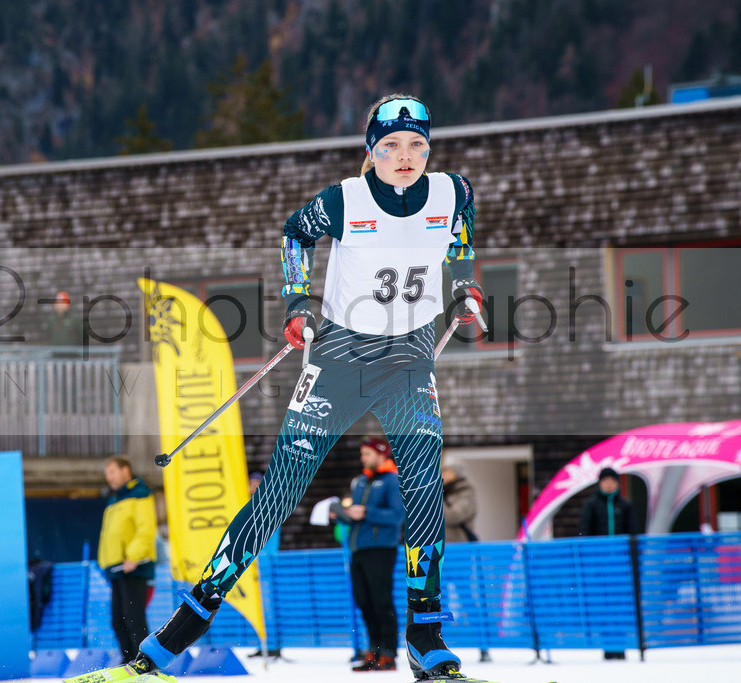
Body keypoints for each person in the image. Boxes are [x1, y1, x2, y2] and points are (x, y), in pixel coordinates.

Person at [125, 94, 483, 682]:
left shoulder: (453, 192)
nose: (405, 156)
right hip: (341, 355)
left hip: (409, 359)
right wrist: (297, 301)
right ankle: (175, 636)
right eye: (391, 145)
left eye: (417, 144)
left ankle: (426, 637)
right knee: (278, 497)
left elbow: (460, 238)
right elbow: (295, 235)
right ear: (371, 150)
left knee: (423, 492)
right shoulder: (346, 198)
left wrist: (465, 285)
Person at [331, 437, 404, 672]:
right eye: (362, 454)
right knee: (364, 601)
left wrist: (366, 512)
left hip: (381, 549)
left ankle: (389, 653)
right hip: (358, 549)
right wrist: (341, 514)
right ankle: (373, 650)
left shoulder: (392, 480)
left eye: (367, 454)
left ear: (381, 454)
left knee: (381, 601)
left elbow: (397, 516)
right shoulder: (360, 481)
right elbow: (357, 517)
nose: (363, 458)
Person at [98, 457, 157, 664]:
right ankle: (128, 661)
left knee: (134, 618)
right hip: (116, 568)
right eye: (107, 474)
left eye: (112, 472)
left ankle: (144, 662)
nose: (109, 477)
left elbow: (146, 529)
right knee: (118, 620)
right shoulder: (115, 499)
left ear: (126, 470)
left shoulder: (139, 493)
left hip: (133, 567)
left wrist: (133, 556)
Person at [579, 466, 637, 661]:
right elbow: (584, 533)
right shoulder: (591, 505)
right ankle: (607, 645)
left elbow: (633, 533)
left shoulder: (626, 504)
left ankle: (620, 645)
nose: (609, 484)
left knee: (620, 605)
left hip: (621, 565)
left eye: (613, 480)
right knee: (603, 605)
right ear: (600, 483)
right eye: (606, 480)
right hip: (600, 566)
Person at [441, 461, 490, 663]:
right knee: (438, 600)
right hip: (441, 553)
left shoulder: (465, 491)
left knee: (467, 598)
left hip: (460, 554)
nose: (443, 474)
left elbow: (453, 515)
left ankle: (483, 644)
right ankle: (440, 643)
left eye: (447, 471)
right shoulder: (444, 491)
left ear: (457, 473)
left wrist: (435, 498)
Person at [246, 471, 282, 660]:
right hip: (254, 561)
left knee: (268, 605)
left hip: (266, 560)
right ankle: (263, 644)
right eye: (251, 483)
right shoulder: (248, 505)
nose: (254, 487)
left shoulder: (271, 504)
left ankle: (273, 645)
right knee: (258, 604)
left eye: (257, 483)